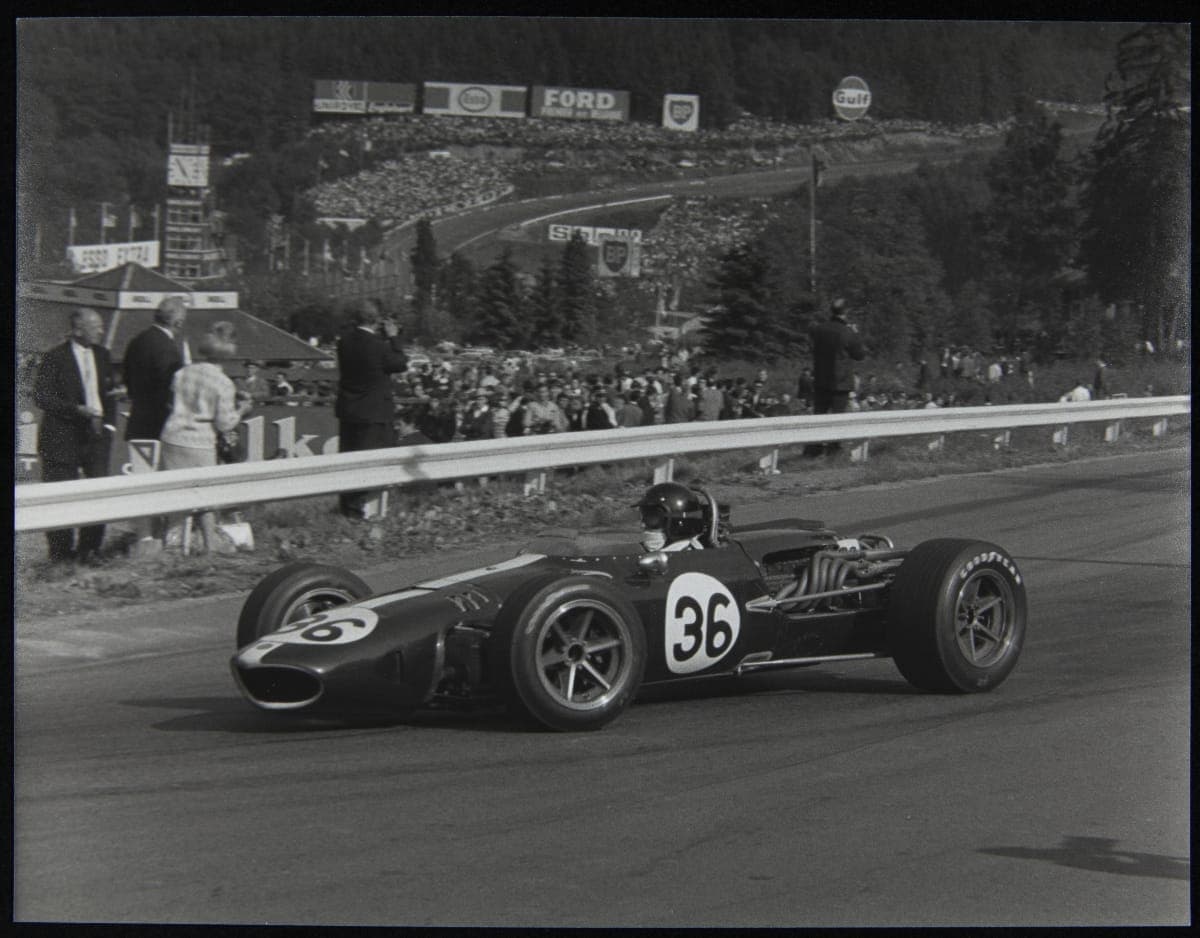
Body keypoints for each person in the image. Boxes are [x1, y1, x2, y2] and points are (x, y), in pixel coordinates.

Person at [34, 307, 121, 563]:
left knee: (98, 495)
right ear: (78, 329)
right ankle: (61, 556)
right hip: (62, 437)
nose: (102, 331)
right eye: (96, 326)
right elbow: (42, 396)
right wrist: (75, 410)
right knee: (60, 497)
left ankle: (90, 551)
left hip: (96, 438)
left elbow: (110, 395)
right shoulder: (54, 358)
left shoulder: (104, 356)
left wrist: (109, 427)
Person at [160, 323, 253, 554]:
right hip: (200, 442)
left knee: (175, 495)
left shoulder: (181, 373)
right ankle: (210, 546)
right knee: (205, 498)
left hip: (172, 436)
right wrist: (242, 409)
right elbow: (224, 423)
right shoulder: (223, 383)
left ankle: (173, 544)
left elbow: (172, 402)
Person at [334, 298, 407, 518]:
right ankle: (360, 510)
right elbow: (399, 362)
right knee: (369, 462)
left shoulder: (343, 342)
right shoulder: (378, 346)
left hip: (349, 409)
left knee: (349, 460)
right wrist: (394, 337)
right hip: (373, 411)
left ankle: (348, 508)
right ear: (376, 320)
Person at [122, 295, 188, 443]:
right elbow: (171, 387)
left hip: (137, 422)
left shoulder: (137, 341)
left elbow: (126, 378)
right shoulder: (167, 348)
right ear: (178, 322)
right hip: (160, 426)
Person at [807, 297, 866, 454]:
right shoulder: (847, 332)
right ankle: (833, 450)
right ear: (846, 312)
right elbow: (859, 355)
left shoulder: (818, 330)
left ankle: (814, 448)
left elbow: (813, 349)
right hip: (840, 382)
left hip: (820, 380)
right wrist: (856, 334)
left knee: (818, 416)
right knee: (837, 418)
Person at [635, 482, 707, 552]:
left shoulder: (692, 559)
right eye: (643, 516)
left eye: (651, 518)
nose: (642, 525)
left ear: (676, 523)